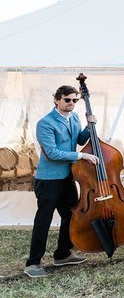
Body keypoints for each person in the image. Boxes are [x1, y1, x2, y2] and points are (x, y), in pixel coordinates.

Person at [24, 85, 99, 278]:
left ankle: (62, 255)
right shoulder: (45, 123)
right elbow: (52, 153)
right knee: (44, 221)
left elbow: (80, 139)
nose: (71, 104)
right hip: (48, 180)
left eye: (75, 100)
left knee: (72, 215)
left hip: (67, 177)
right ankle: (32, 264)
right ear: (57, 100)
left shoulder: (74, 117)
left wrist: (89, 126)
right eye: (67, 100)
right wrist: (82, 156)